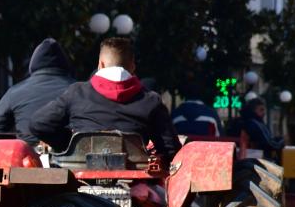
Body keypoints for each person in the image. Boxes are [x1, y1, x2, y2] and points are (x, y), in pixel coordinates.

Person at [27, 37, 181, 163]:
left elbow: (39, 124)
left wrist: (70, 143)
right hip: (135, 184)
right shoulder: (151, 100)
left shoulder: (77, 92)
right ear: (133, 66)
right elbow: (171, 150)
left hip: (80, 182)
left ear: (100, 64)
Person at [0, 38, 75, 145]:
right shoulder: (79, 90)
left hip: (26, 157)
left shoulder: (15, 92)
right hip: (69, 157)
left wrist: (18, 142)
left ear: (33, 65)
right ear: (65, 65)